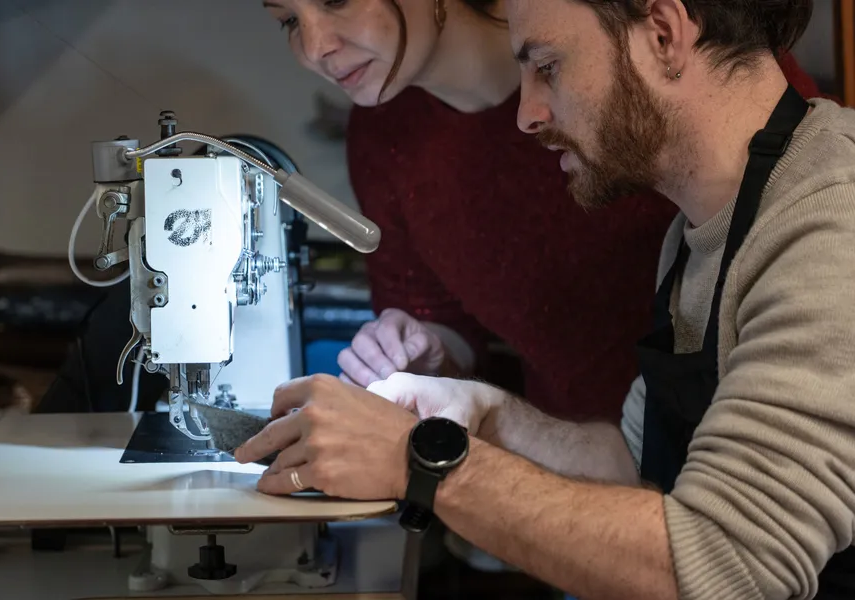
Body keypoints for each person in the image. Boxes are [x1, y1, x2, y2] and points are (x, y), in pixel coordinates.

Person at [236, 1, 855, 599]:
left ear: (664, 33)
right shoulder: (697, 234)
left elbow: (729, 566)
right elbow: (635, 458)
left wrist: (420, 462)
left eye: (548, 68)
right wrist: (476, 410)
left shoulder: (830, 222)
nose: (525, 115)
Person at [261, 0, 822, 424]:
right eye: (287, 20)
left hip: (744, 441)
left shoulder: (788, 182)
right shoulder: (383, 137)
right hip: (591, 458)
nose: (313, 48)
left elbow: (796, 197)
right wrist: (424, 353)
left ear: (664, 35)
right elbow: (442, 320)